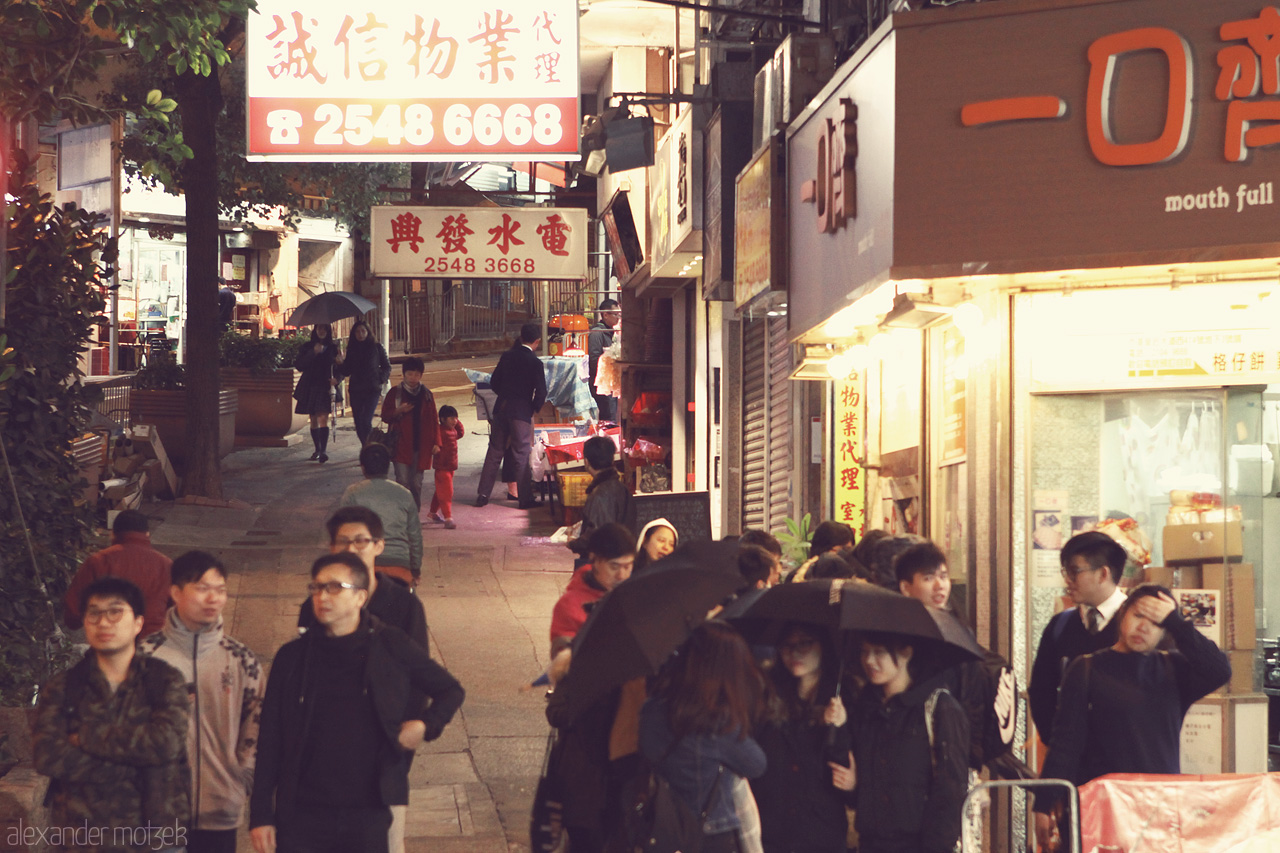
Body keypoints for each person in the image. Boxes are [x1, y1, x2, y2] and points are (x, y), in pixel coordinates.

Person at [250, 552, 465, 853]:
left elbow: (450, 690)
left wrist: (426, 725)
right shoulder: (292, 657)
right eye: (317, 588)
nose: (323, 596)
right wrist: (260, 814)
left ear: (360, 597)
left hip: (368, 812)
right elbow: (270, 737)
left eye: (335, 587)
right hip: (302, 814)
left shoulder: (390, 644)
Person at [1033, 584, 1232, 852]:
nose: (1144, 628)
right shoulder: (1087, 667)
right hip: (1101, 805)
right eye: (1138, 615)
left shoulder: (1174, 668)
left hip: (1159, 807)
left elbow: (1219, 670)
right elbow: (1066, 743)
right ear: (1123, 613)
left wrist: (1176, 622)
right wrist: (1045, 802)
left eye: (1156, 622)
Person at [33, 577, 191, 853]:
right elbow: (48, 755)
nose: (104, 622)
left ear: (138, 623)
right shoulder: (64, 687)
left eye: (115, 611)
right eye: (94, 613)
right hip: (83, 840)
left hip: (155, 839)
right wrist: (135, 765)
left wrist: (85, 737)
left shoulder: (164, 681)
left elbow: (167, 743)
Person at [141, 551, 264, 853]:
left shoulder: (241, 659)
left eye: (220, 590)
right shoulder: (145, 658)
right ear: (176, 593)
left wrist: (240, 780)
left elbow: (257, 728)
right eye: (202, 588)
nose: (213, 598)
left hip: (221, 810)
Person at [895, 542, 1029, 781]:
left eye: (943, 576)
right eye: (928, 578)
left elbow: (971, 700)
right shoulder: (897, 635)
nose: (940, 586)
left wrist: (971, 762)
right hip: (908, 755)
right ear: (906, 587)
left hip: (950, 758)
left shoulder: (957, 631)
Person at [639, 621, 768, 853]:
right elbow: (756, 764)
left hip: (662, 828)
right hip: (710, 836)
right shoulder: (715, 724)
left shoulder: (652, 709)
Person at [850, 633, 969, 853]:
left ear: (906, 653)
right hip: (871, 843)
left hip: (918, 844)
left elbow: (950, 790)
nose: (869, 660)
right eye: (864, 652)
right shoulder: (865, 708)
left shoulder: (939, 707)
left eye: (879, 652)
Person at [750, 623, 855, 853]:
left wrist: (838, 727)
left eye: (805, 643)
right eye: (787, 645)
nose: (795, 652)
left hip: (820, 833)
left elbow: (845, 774)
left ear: (823, 646)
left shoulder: (844, 697)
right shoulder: (767, 696)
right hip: (772, 831)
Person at [1029, 531, 1128, 745]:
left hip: (1126, 765)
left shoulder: (1139, 626)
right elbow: (1040, 691)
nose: (1067, 580)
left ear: (1103, 574)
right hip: (1073, 765)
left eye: (1075, 572)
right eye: (1065, 571)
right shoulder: (1060, 625)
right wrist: (1058, 743)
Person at [299, 506, 428, 644]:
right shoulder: (318, 603)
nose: (351, 549)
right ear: (332, 547)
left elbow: (418, 662)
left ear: (379, 546)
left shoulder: (406, 604)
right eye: (342, 541)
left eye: (360, 541)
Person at [64, 509, 171, 636]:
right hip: (154, 642)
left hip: (110, 640)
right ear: (147, 534)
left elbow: (73, 614)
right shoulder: (166, 565)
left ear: (113, 534)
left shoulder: (98, 561)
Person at [476, 321, 547, 509]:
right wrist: (532, 407)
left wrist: (505, 396)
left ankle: (483, 494)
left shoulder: (507, 356)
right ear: (537, 341)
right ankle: (525, 499)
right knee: (521, 453)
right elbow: (541, 392)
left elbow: (494, 382)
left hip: (502, 409)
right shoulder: (535, 362)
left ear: (521, 337)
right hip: (521, 412)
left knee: (494, 452)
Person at [550, 523, 635, 667]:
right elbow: (564, 663)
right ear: (594, 560)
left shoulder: (635, 594)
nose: (621, 575)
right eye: (614, 566)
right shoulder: (570, 606)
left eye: (627, 566)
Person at [341, 445, 423, 583]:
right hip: (399, 565)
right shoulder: (405, 494)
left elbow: (342, 535)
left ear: (363, 467)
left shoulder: (352, 493)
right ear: (388, 466)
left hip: (364, 567)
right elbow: (415, 537)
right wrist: (415, 569)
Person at [379, 356, 439, 508]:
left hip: (422, 446)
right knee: (403, 481)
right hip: (401, 444)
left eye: (417, 374)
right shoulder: (395, 393)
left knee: (416, 483)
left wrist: (437, 442)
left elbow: (434, 419)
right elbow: (385, 416)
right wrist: (398, 410)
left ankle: (414, 512)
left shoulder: (426, 394)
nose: (413, 378)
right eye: (410, 374)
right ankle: (403, 512)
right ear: (404, 374)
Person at [567, 436, 632, 560]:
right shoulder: (621, 488)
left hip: (605, 564)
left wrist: (573, 543)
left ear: (586, 461)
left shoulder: (601, 494)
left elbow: (597, 535)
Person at [337, 320, 391, 446]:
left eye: (363, 331)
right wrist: (340, 363)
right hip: (356, 390)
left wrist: (381, 378)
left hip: (372, 389)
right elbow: (347, 371)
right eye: (357, 332)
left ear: (368, 332)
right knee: (358, 422)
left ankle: (371, 447)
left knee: (366, 420)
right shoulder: (352, 350)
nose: (360, 334)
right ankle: (366, 447)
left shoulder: (376, 347)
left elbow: (386, 366)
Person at [294, 323, 343, 463]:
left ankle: (323, 451)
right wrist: (313, 353)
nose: (321, 331)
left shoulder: (333, 348)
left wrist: (337, 377)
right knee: (314, 419)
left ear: (328, 331)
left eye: (324, 329)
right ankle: (317, 448)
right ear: (315, 330)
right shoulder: (308, 346)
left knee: (323, 418)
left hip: (325, 385)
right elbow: (299, 364)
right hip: (310, 385)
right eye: (319, 328)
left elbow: (341, 369)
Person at [428, 405, 465, 530]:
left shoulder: (453, 431)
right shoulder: (439, 431)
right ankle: (448, 517)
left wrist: (457, 422)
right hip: (442, 468)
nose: (454, 420)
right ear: (443, 419)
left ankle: (433, 512)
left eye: (456, 418)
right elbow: (433, 440)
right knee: (447, 492)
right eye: (451, 418)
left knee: (441, 491)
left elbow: (461, 432)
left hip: (450, 467)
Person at [786, 521, 854, 583]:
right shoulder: (797, 578)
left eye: (848, 550)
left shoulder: (852, 576)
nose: (846, 555)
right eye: (843, 550)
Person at [587, 298, 620, 421]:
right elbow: (594, 358)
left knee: (611, 416)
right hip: (603, 386)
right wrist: (602, 380)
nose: (618, 318)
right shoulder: (598, 333)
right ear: (605, 314)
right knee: (609, 418)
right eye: (616, 314)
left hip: (610, 384)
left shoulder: (611, 332)